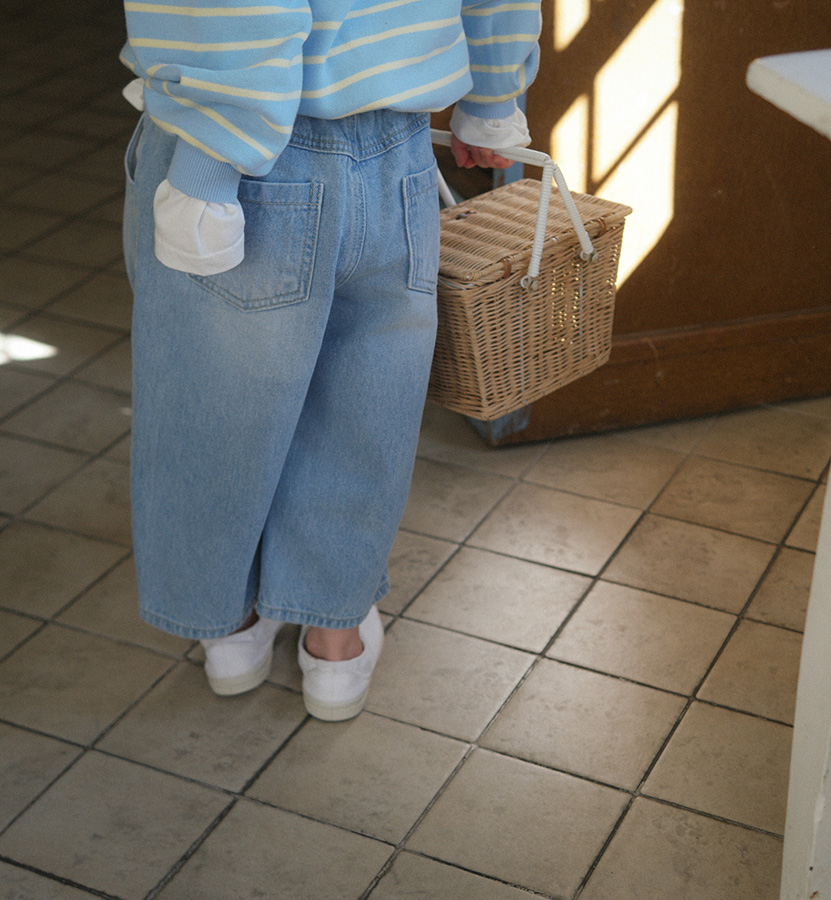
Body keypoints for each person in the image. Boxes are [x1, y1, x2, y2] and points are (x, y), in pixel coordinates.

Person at [120, 0, 541, 721]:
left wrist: (211, 162)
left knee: (214, 405)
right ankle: (334, 644)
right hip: (397, 148)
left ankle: (232, 630)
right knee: (366, 403)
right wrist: (493, 94)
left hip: (243, 160)